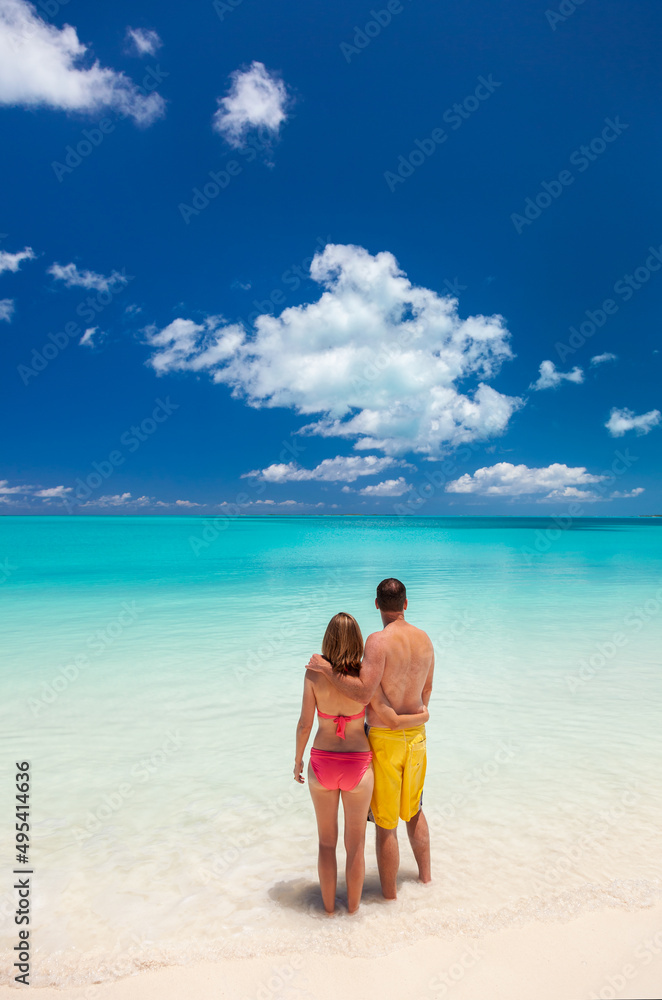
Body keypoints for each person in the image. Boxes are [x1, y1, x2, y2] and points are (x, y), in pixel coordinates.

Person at [307, 579, 434, 900]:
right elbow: (427, 691)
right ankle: (428, 884)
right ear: (406, 604)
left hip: (384, 740)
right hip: (416, 737)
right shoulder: (425, 640)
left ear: (377, 604)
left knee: (386, 823)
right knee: (415, 810)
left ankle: (389, 899)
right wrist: (416, 717)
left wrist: (326, 670)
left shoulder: (378, 642)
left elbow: (363, 693)